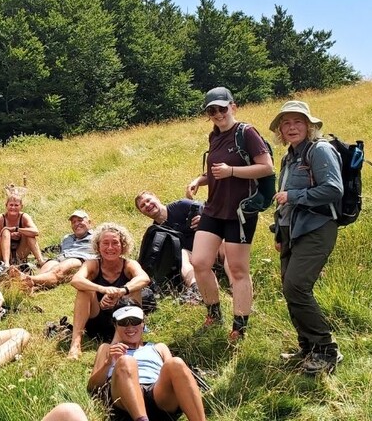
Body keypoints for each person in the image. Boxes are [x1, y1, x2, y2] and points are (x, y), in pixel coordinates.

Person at [185, 87, 274, 340]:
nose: (218, 114)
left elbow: (266, 167)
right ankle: (214, 314)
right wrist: (198, 180)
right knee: (199, 262)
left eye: (222, 108)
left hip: (240, 212)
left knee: (237, 270)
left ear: (233, 107)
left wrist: (232, 171)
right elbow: (216, 171)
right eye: (212, 110)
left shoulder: (247, 132)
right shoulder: (214, 136)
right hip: (214, 209)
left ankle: (239, 327)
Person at [269, 100, 344, 374]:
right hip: (291, 231)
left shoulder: (319, 150)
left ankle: (326, 351)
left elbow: (334, 189)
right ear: (280, 130)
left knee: (296, 287)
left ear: (309, 125)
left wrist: (294, 195)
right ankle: (308, 348)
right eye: (286, 123)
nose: (292, 127)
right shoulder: (289, 157)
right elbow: (282, 201)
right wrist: (279, 232)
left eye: (298, 122)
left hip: (317, 228)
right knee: (290, 289)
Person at [87, 300, 207, 421]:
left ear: (143, 323)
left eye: (135, 321)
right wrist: (108, 363)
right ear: (115, 325)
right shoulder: (107, 349)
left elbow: (176, 377)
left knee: (176, 363)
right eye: (123, 322)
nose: (130, 327)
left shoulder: (159, 348)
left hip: (157, 393)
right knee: (126, 361)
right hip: (123, 395)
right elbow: (92, 387)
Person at [67, 222, 150, 359]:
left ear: (122, 246)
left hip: (124, 322)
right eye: (105, 243)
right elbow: (76, 280)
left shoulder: (129, 264)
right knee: (84, 290)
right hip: (96, 319)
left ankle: (137, 341)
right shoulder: (92, 264)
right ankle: (75, 343)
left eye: (115, 243)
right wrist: (103, 289)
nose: (110, 247)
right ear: (98, 246)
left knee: (135, 288)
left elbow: (144, 278)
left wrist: (121, 292)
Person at [135, 191, 229, 304]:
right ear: (142, 213)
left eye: (148, 200)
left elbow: (217, 214)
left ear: (157, 198)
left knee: (226, 243)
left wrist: (205, 221)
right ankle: (196, 288)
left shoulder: (182, 206)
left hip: (214, 247)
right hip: (196, 258)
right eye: (142, 205)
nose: (147, 205)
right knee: (182, 254)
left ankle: (236, 284)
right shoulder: (156, 233)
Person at [7, 209, 96, 290]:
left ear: (89, 222)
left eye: (80, 220)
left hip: (78, 258)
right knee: (46, 270)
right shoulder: (67, 238)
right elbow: (55, 248)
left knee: (57, 271)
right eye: (73, 222)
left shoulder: (96, 237)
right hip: (60, 258)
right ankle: (31, 287)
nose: (76, 224)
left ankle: (24, 278)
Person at [0, 184, 45, 266]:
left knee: (29, 234)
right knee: (6, 232)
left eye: (16, 205)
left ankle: (40, 261)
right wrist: (7, 237)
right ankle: (6, 264)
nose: (13, 208)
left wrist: (17, 230)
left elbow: (35, 232)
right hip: (0, 255)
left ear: (21, 206)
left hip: (19, 253)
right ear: (6, 206)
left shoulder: (24, 217)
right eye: (11, 205)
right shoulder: (0, 218)